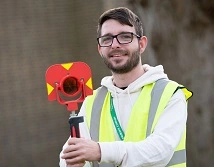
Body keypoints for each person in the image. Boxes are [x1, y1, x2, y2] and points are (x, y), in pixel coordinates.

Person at [60, 7, 192, 167]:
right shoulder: (92, 101)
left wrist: (101, 151)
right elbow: (69, 156)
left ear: (141, 44)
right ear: (100, 49)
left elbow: (160, 150)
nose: (115, 44)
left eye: (125, 37)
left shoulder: (170, 94)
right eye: (107, 39)